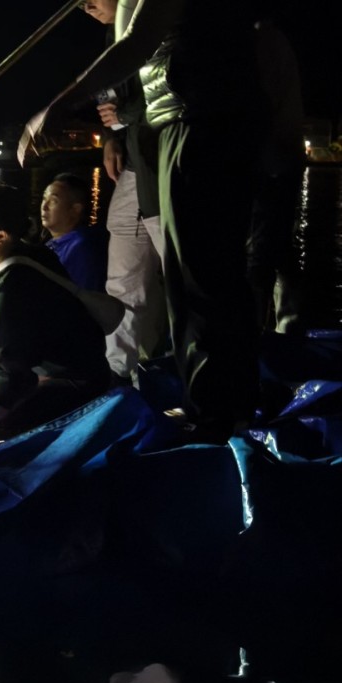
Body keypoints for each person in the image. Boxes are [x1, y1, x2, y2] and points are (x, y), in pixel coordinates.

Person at [19, 0, 268, 443]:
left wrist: (61, 102)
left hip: (200, 123)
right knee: (190, 277)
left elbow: (139, 40)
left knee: (201, 276)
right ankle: (212, 404)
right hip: (179, 123)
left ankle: (220, 413)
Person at [0, 183, 111, 450]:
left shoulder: (12, 289)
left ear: (1, 237)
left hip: (77, 381)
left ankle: (18, 403)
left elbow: (14, 375)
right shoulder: (32, 254)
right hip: (53, 360)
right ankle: (16, 397)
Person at [82, 0, 167, 388]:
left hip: (167, 162)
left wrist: (126, 118)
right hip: (136, 161)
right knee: (124, 275)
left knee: (184, 271)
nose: (86, 6)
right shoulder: (111, 35)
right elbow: (109, 97)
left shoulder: (161, 22)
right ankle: (122, 374)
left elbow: (172, 92)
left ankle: (194, 376)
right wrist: (114, 135)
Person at [247, 17, 306, 335]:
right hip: (280, 160)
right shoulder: (271, 38)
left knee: (260, 254)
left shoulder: (259, 42)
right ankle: (289, 328)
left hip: (268, 164)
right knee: (277, 247)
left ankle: (253, 336)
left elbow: (259, 105)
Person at [39, 172, 108, 293]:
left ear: (75, 209)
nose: (44, 206)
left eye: (53, 201)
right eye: (44, 198)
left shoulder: (82, 248)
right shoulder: (53, 244)